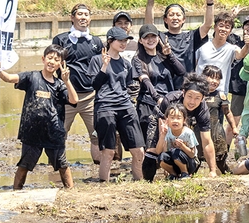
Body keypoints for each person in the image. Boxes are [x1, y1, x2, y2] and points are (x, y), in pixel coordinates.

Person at [0, 45, 78, 190]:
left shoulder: (59, 85)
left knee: (62, 164)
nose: (52, 62)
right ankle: (16, 192)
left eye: (56, 60)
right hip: (31, 131)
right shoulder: (31, 77)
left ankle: (71, 191)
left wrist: (66, 81)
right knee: (24, 165)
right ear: (43, 59)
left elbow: (74, 100)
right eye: (50, 58)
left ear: (61, 64)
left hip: (54, 132)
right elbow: (8, 78)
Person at [89, 27, 145, 181]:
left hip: (125, 106)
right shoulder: (97, 60)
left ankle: (139, 182)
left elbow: (127, 86)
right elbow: (95, 85)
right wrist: (104, 66)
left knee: (139, 150)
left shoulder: (126, 64)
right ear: (110, 41)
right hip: (105, 106)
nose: (124, 43)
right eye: (120, 40)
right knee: (108, 152)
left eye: (125, 40)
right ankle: (104, 184)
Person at [142, 0, 219, 89]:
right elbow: (149, 25)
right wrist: (150, 1)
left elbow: (207, 25)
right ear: (165, 19)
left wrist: (210, 2)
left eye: (178, 15)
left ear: (183, 19)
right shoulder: (160, 37)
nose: (175, 17)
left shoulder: (191, 37)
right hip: (164, 87)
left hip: (186, 87)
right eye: (171, 15)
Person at [52, 3, 104, 164]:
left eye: (86, 14)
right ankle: (58, 168)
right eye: (79, 14)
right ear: (72, 17)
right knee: (59, 134)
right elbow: (52, 63)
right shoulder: (61, 39)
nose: (83, 17)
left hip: (90, 96)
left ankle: (99, 169)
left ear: (90, 18)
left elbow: (102, 66)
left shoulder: (96, 42)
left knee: (96, 135)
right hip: (66, 97)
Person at [149, 75, 218, 180]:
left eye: (197, 98)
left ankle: (185, 172)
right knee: (151, 154)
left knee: (182, 151)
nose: (192, 102)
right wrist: (166, 166)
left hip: (186, 127)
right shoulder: (170, 100)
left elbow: (207, 141)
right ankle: (151, 178)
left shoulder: (202, 110)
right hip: (162, 121)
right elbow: (163, 132)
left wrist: (212, 171)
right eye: (189, 96)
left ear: (203, 98)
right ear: (183, 92)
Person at [133, 23, 185, 151]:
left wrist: (170, 55)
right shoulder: (138, 59)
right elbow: (145, 81)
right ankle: (149, 167)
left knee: (169, 138)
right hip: (148, 103)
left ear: (158, 38)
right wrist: (157, 98)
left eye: (153, 36)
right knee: (150, 140)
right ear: (140, 40)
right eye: (146, 37)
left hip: (168, 102)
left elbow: (181, 72)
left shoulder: (164, 55)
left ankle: (167, 166)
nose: (150, 40)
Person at [195, 10, 249, 95]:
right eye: (221, 26)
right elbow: (193, 64)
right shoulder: (202, 46)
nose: (223, 29)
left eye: (227, 27)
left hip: (220, 93)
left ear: (230, 31)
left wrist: (247, 45)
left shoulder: (231, 48)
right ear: (215, 27)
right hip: (199, 92)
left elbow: (241, 54)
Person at [201, 64, 237, 174]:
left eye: (217, 78)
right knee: (196, 157)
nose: (214, 81)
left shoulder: (220, 95)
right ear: (203, 77)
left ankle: (227, 173)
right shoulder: (197, 94)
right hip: (200, 129)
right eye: (211, 77)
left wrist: (234, 127)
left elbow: (228, 113)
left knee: (220, 158)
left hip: (216, 130)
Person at [156, 104, 200, 179]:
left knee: (175, 152)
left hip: (190, 163)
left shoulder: (188, 133)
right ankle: (173, 174)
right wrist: (163, 134)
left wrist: (182, 146)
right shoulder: (167, 131)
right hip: (174, 162)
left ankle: (185, 173)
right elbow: (158, 151)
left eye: (178, 118)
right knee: (161, 157)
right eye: (172, 118)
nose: (175, 121)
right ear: (167, 119)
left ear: (184, 119)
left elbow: (192, 154)